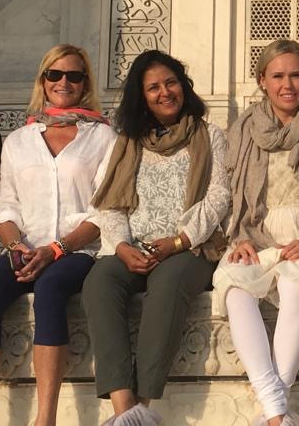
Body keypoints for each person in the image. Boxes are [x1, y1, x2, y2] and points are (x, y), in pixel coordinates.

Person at [0, 44, 116, 426]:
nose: (64, 82)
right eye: (55, 74)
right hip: (26, 247)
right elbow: (7, 208)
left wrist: (57, 249)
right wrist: (16, 246)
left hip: (80, 250)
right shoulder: (18, 141)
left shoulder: (104, 138)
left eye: (74, 76)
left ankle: (45, 418)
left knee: (50, 288)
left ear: (85, 84)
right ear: (43, 80)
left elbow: (104, 211)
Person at [82, 50, 230, 426]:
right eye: (153, 87)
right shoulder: (128, 142)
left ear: (183, 85)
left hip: (189, 248)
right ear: (141, 96)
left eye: (171, 82)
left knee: (167, 284)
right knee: (100, 281)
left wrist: (178, 241)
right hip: (134, 247)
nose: (165, 92)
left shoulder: (209, 135)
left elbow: (219, 197)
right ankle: (125, 410)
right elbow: (109, 203)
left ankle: (142, 405)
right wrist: (122, 247)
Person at [214, 40, 299, 426]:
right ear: (262, 80)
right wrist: (238, 237)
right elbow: (229, 197)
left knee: (293, 286)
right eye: (277, 76)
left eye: (295, 75)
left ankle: (273, 409)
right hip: (253, 240)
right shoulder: (242, 131)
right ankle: (278, 415)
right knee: (233, 286)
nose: (287, 84)